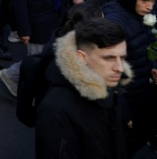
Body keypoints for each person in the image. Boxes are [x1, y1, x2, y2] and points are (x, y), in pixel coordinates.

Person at [35, 18, 130, 159]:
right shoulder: (57, 110)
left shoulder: (109, 84)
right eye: (108, 58)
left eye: (121, 58)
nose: (120, 68)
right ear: (82, 57)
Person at [102, 0, 157, 156]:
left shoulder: (135, 12)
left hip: (140, 88)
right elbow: (109, 77)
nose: (150, 7)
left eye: (153, 1)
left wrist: (154, 67)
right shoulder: (114, 25)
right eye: (145, 0)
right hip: (126, 97)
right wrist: (124, 113)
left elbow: (145, 45)